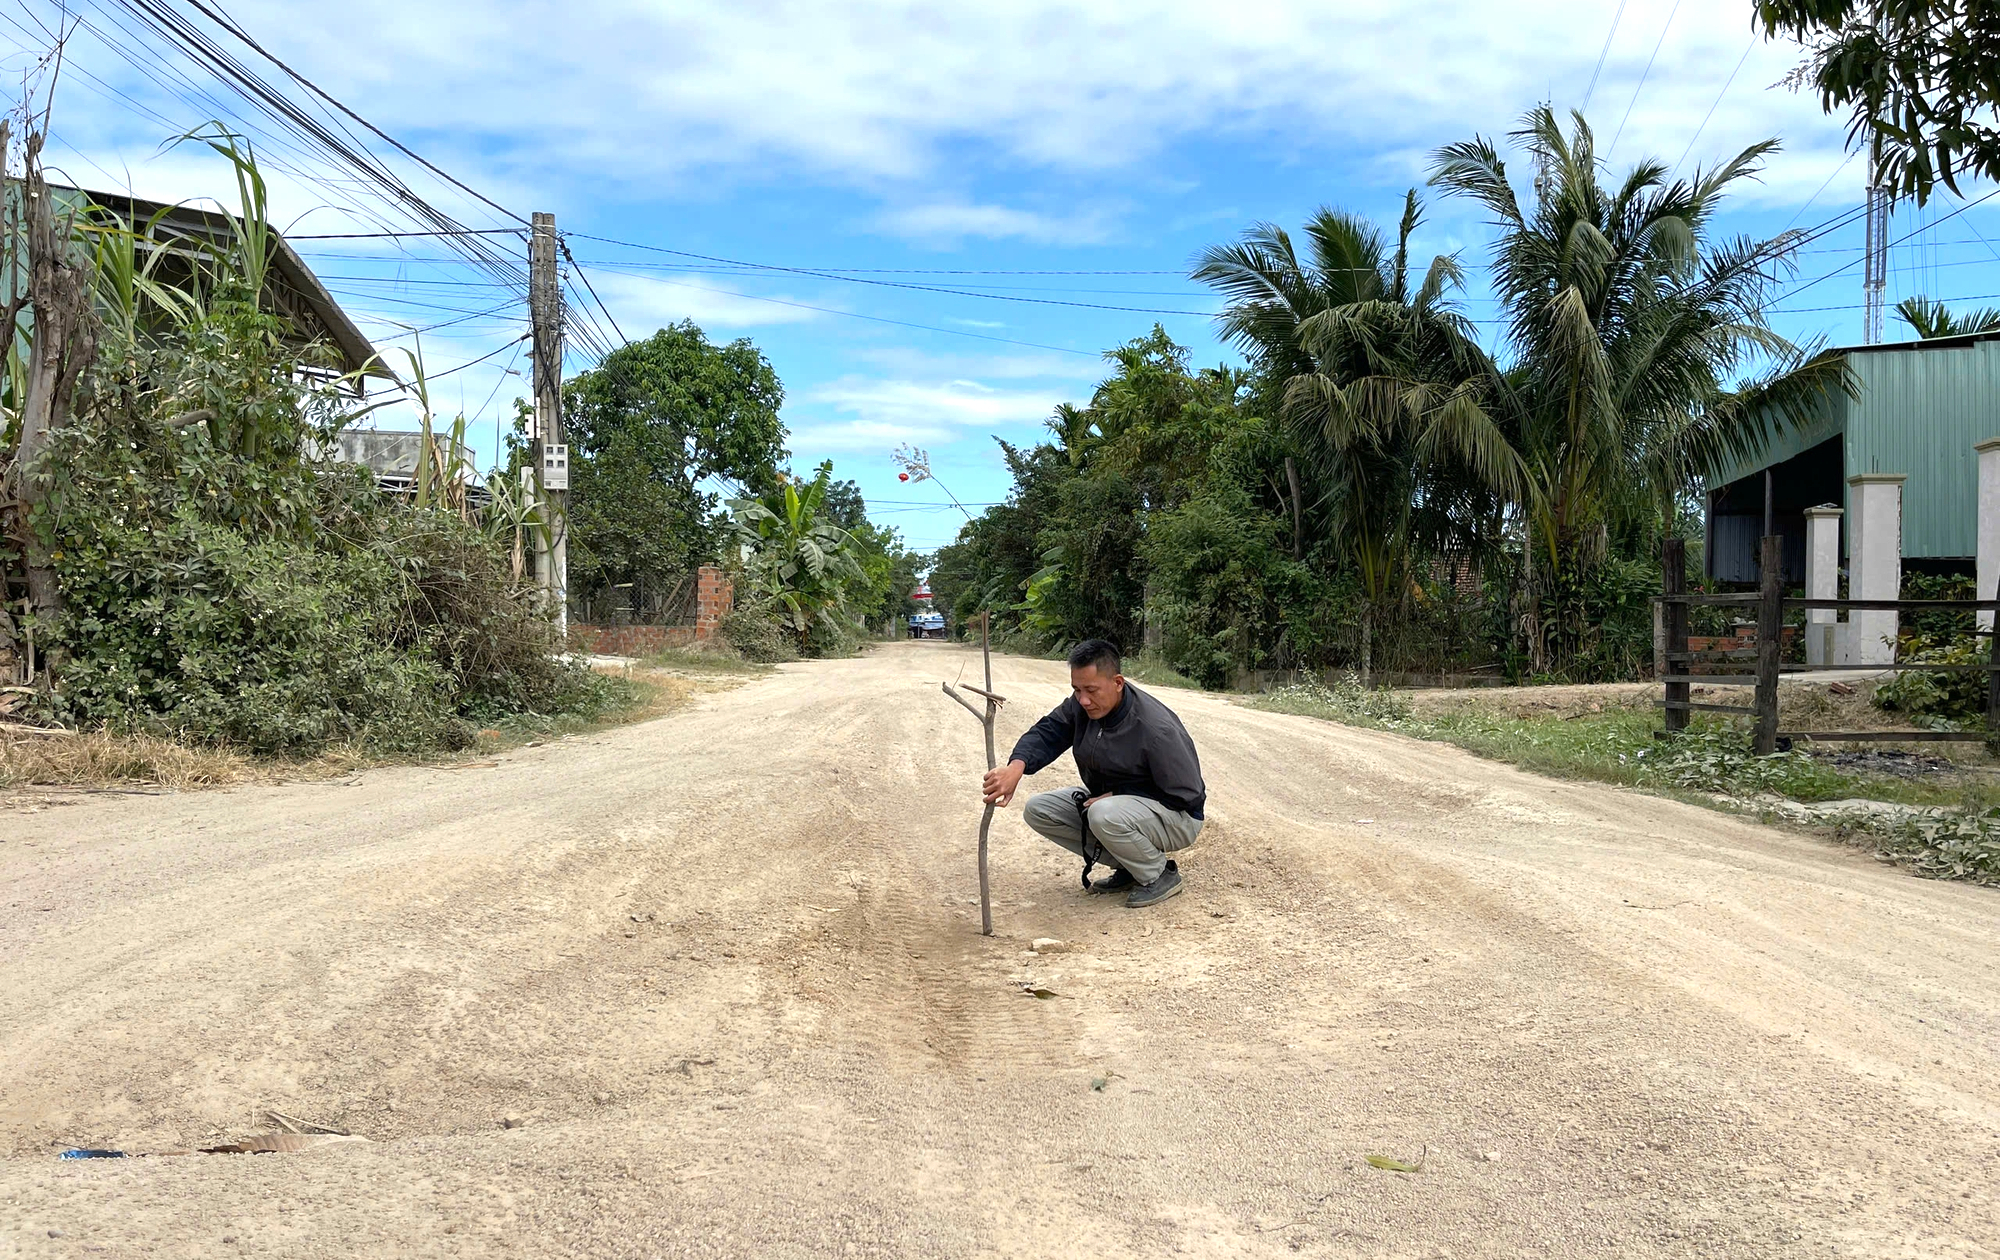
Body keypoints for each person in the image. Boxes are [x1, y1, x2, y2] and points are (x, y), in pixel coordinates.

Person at [981, 639, 1206, 908]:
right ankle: (1131, 866)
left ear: (1118, 682)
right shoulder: (1082, 706)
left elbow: (1186, 795)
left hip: (1178, 817)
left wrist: (1121, 794)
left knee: (1103, 814)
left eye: (1091, 690)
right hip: (1120, 804)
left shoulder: (1155, 728)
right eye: (1076, 690)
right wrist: (1016, 766)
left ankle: (1158, 875)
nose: (1083, 700)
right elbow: (1049, 731)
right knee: (1038, 809)